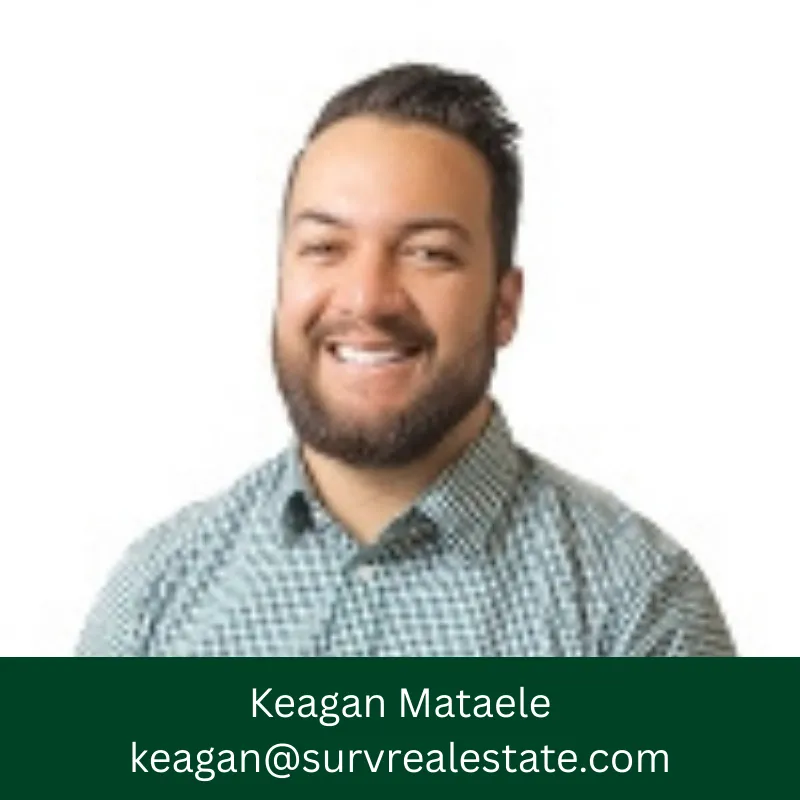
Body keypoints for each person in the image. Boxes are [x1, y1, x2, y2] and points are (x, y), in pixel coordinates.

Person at [77, 63, 735, 657]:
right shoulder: (153, 595)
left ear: (504, 306)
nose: (366, 298)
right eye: (325, 247)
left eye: (429, 253)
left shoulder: (642, 607)